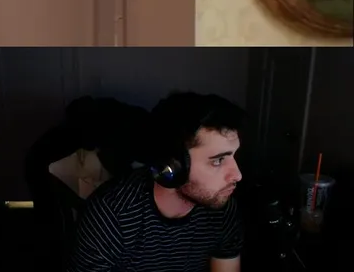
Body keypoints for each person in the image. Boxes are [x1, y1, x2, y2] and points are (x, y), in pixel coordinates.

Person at [66, 92, 245, 272]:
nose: (237, 175)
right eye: (218, 161)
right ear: (172, 166)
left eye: (234, 156)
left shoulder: (221, 206)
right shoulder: (109, 218)